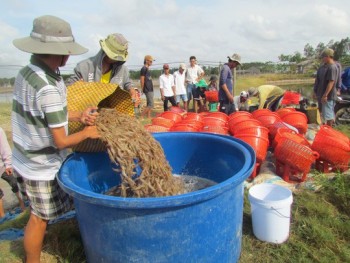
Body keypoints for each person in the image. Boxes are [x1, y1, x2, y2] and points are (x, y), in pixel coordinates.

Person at [12, 15, 100, 262]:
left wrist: (79, 116)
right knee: (39, 218)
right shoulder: (48, 87)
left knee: (39, 213)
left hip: (23, 154)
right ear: (60, 53)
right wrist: (87, 133)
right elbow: (61, 141)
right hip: (38, 163)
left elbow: (49, 113)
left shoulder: (28, 72)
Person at [66, 33, 140, 108]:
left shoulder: (122, 70)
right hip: (87, 113)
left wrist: (132, 90)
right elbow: (68, 91)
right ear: (105, 50)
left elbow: (127, 83)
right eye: (114, 56)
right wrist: (78, 88)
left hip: (112, 114)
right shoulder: (84, 67)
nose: (116, 59)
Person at [0, 127, 25, 216]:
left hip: (2, 165)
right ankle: (2, 217)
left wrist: (8, 164)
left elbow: (5, 149)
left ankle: (23, 208)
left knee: (16, 183)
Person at [313, 48, 340, 126]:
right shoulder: (322, 67)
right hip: (320, 94)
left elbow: (331, 82)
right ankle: (324, 127)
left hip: (328, 96)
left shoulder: (332, 67)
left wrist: (325, 95)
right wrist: (315, 91)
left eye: (323, 57)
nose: (322, 59)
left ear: (328, 56)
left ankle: (329, 130)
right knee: (322, 113)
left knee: (329, 115)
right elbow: (317, 80)